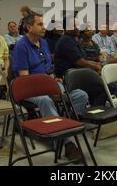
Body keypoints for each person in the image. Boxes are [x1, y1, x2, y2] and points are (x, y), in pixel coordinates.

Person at [12, 11, 88, 161]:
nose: (44, 27)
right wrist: (48, 88)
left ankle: (63, 129)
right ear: (28, 27)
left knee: (80, 95)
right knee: (46, 100)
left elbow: (48, 68)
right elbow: (24, 79)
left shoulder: (44, 43)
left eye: (44, 24)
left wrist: (54, 80)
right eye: (39, 24)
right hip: (27, 89)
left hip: (48, 84)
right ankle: (66, 143)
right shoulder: (21, 46)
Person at [54, 16, 107, 106]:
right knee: (102, 89)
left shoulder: (72, 40)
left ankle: (92, 111)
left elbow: (83, 59)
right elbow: (79, 62)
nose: (79, 27)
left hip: (77, 74)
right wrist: (96, 66)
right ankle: (91, 114)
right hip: (69, 79)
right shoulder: (66, 41)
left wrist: (97, 64)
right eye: (76, 25)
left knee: (103, 87)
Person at [79, 27, 117, 97]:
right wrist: (98, 60)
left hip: (100, 63)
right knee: (112, 85)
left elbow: (99, 54)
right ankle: (114, 93)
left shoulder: (93, 43)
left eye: (91, 30)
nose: (90, 32)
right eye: (87, 31)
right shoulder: (80, 44)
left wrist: (105, 59)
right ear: (82, 33)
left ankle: (116, 94)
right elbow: (84, 58)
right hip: (90, 66)